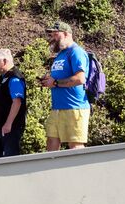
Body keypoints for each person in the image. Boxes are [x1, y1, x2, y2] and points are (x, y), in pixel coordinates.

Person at [38, 21, 89, 150]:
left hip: (74, 107)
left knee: (75, 145)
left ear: (66, 34)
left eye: (56, 34)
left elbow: (80, 79)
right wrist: (48, 80)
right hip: (57, 107)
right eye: (52, 35)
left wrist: (55, 83)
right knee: (51, 141)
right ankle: (51, 165)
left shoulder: (76, 52)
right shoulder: (60, 54)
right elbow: (59, 76)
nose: (53, 38)